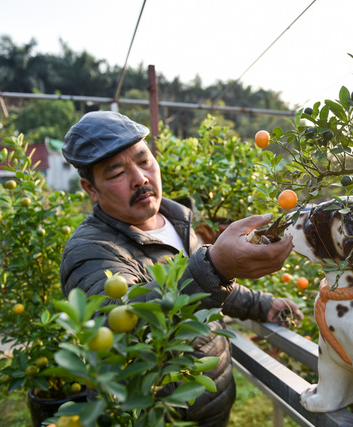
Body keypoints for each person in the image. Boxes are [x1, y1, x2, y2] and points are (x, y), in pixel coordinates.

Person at [60, 111, 303, 426]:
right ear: (91, 189)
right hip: (157, 414)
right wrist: (216, 265)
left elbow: (200, 289)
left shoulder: (178, 217)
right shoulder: (90, 251)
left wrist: (261, 304)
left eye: (144, 161)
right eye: (117, 172)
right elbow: (117, 320)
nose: (140, 178)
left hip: (209, 405)